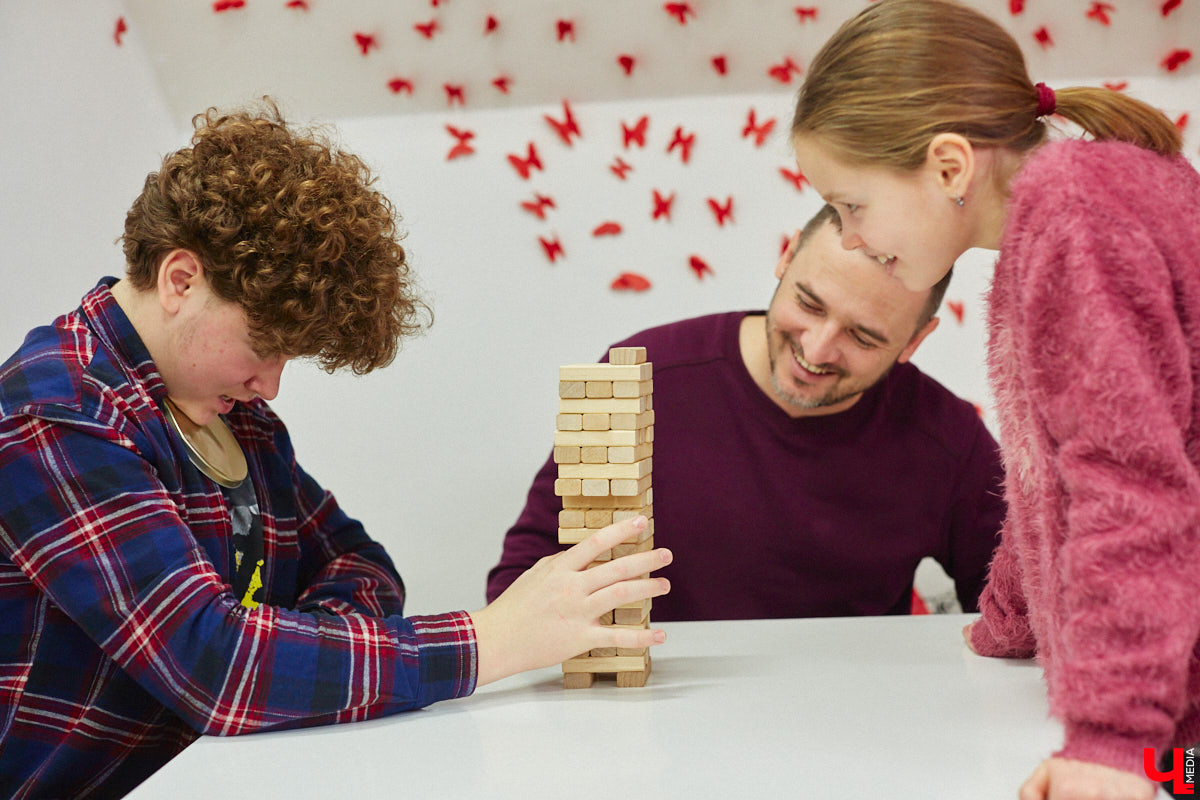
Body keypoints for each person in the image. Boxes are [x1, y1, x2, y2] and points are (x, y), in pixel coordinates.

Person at [0, 102, 671, 799]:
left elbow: (363, 566)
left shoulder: (237, 414)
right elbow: (219, 668)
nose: (272, 385)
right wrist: (491, 639)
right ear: (181, 280)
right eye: (263, 348)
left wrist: (278, 648)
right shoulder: (56, 412)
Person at [789, 1, 1200, 798]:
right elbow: (1051, 467)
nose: (847, 237)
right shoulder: (1056, 219)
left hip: (1168, 723)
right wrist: (1009, 618)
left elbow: (1131, 489)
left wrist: (1114, 741)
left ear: (949, 167)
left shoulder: (1077, 222)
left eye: (850, 205)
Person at [487, 203, 1005, 621]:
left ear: (914, 340)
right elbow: (527, 573)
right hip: (653, 716)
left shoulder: (948, 439)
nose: (818, 349)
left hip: (852, 720)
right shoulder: (645, 378)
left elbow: (1015, 606)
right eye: (809, 304)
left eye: (863, 336)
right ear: (786, 258)